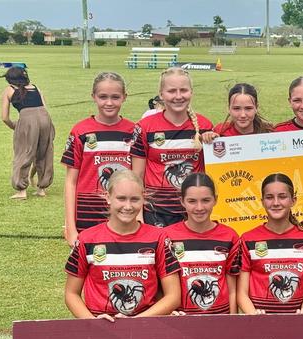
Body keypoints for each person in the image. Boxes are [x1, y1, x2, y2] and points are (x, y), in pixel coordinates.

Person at [64, 170, 181, 321]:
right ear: (108, 197)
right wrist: (93, 322)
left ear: (143, 199)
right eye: (121, 198)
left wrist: (137, 321)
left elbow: (173, 296)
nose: (128, 206)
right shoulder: (87, 239)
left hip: (146, 327)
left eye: (134, 199)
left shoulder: (158, 238)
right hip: (101, 330)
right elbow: (71, 294)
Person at [131, 67, 214, 227]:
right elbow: (137, 175)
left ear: (191, 92)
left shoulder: (205, 125)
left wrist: (214, 141)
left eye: (183, 90)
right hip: (155, 213)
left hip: (193, 212)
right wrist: (138, 215)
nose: (178, 96)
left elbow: (211, 173)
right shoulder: (144, 127)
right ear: (161, 94)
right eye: (171, 91)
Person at [61, 72, 135, 247]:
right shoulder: (80, 131)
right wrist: (71, 227)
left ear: (124, 97)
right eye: (103, 97)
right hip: (87, 216)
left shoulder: (134, 131)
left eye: (115, 97)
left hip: (124, 215)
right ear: (93, 96)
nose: (109, 103)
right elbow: (71, 182)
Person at [237, 173, 303, 314]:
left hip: (298, 324)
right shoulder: (248, 239)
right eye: (269, 197)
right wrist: (254, 315)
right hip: (259, 325)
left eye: (282, 196)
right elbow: (241, 293)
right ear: (262, 201)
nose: (276, 203)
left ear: (293, 200)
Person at [165, 173, 240, 314]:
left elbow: (232, 290)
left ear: (215, 200)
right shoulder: (167, 236)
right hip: (181, 322)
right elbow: (161, 287)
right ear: (182, 201)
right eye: (192, 201)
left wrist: (232, 320)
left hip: (220, 321)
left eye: (206, 200)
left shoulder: (230, 236)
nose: (199, 207)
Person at [0, 66, 55, 199]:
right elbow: (44, 108)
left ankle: (21, 191)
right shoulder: (36, 87)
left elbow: (4, 118)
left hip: (27, 121)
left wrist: (17, 127)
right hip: (45, 119)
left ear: (10, 79)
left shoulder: (9, 90)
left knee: (23, 153)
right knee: (44, 153)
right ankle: (42, 188)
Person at [208, 83, 274, 138]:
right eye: (236, 108)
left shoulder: (269, 132)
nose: (243, 115)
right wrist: (207, 138)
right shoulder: (219, 132)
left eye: (248, 108)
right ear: (229, 108)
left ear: (256, 107)